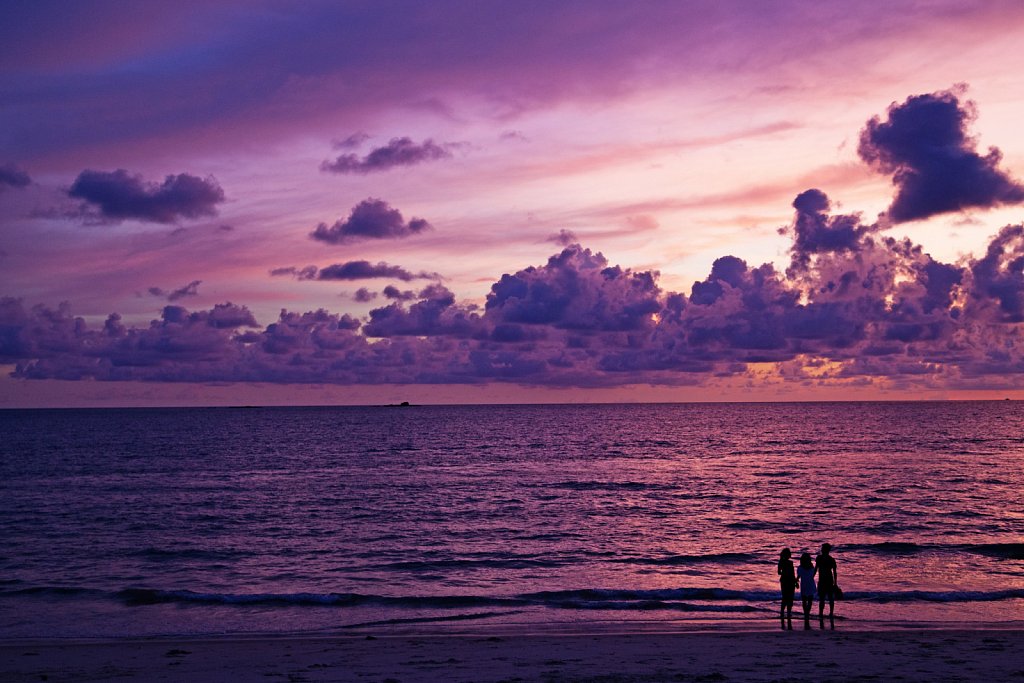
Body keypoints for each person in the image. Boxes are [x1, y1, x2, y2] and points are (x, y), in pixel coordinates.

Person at [816, 542, 838, 626]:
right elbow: (816, 568)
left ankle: (827, 613)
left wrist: (835, 583)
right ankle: (824, 613)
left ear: (826, 550)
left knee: (827, 598)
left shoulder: (830, 559)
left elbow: (835, 572)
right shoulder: (824, 558)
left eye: (822, 548)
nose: (821, 550)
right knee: (825, 598)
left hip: (827, 580)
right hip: (825, 580)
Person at [777, 548, 796, 629]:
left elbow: (779, 572)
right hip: (790, 581)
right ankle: (788, 612)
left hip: (784, 581)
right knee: (790, 597)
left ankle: (782, 612)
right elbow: (793, 573)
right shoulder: (790, 563)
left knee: (785, 597)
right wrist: (796, 582)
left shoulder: (781, 562)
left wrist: (783, 572)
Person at [796, 551, 816, 628]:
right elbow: (813, 575)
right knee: (810, 600)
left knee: (804, 601)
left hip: (804, 585)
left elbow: (798, 576)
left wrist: (796, 582)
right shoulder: (812, 567)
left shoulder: (800, 568)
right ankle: (807, 613)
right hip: (810, 584)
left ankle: (806, 614)